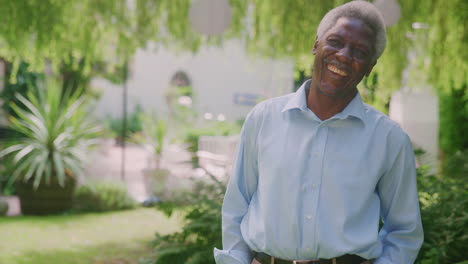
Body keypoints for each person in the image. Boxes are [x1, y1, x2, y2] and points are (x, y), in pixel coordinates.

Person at [214, 1, 423, 264]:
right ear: (316, 44)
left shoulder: (389, 139)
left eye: (360, 51)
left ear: (370, 66)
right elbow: (237, 205)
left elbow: (404, 232)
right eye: (335, 41)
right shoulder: (263, 118)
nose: (344, 55)